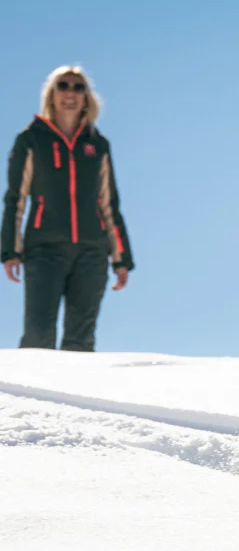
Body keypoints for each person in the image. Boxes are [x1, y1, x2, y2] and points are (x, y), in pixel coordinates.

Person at [2, 65, 134, 351]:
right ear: (51, 95)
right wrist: (10, 250)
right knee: (38, 335)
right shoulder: (31, 140)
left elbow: (109, 203)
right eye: (63, 86)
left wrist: (121, 258)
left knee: (81, 339)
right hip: (44, 250)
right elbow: (16, 198)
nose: (70, 93)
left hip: (92, 252)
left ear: (87, 98)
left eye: (78, 87)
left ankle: (73, 396)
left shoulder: (97, 145)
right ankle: (29, 396)